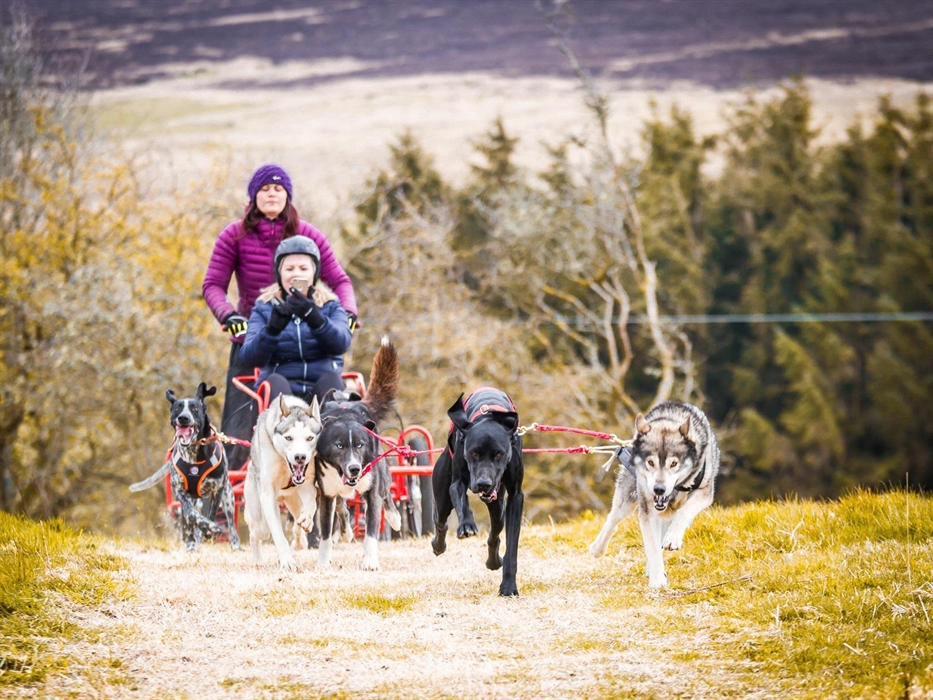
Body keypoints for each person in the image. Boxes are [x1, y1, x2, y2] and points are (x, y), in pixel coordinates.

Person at [202, 164, 358, 471]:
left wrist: (349, 312)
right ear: (253, 196)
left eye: (278, 190)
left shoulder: (307, 235)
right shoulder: (234, 235)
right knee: (239, 424)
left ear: (288, 196)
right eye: (264, 189)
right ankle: (224, 495)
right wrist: (229, 315)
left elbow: (341, 281)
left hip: (310, 337)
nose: (272, 195)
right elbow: (213, 285)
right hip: (256, 334)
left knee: (334, 395)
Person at [239, 236, 352, 406]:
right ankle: (287, 428)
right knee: (274, 381)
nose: (296, 274)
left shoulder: (330, 304)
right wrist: (272, 330)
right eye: (289, 269)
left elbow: (341, 344)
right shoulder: (264, 307)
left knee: (332, 382)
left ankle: (334, 430)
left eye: (303, 268)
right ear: (279, 273)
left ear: (314, 273)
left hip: (321, 386)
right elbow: (249, 357)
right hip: (281, 388)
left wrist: (316, 319)